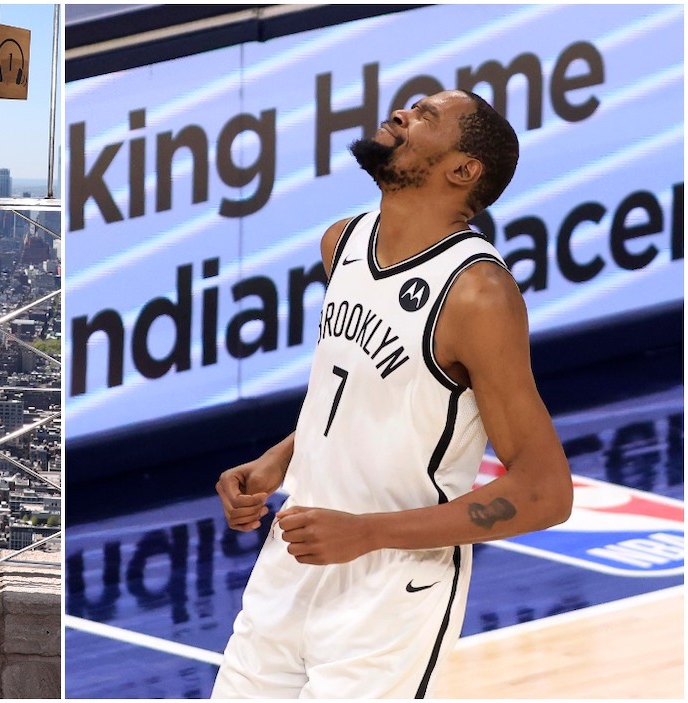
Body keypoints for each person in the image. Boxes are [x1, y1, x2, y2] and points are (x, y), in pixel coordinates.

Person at [211, 90, 573, 698]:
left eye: (426, 116)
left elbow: (544, 493)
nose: (402, 114)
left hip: (394, 588)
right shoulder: (343, 242)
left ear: (463, 170)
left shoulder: (478, 294)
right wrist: (280, 459)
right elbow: (364, 394)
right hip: (293, 557)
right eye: (408, 105)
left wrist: (368, 533)